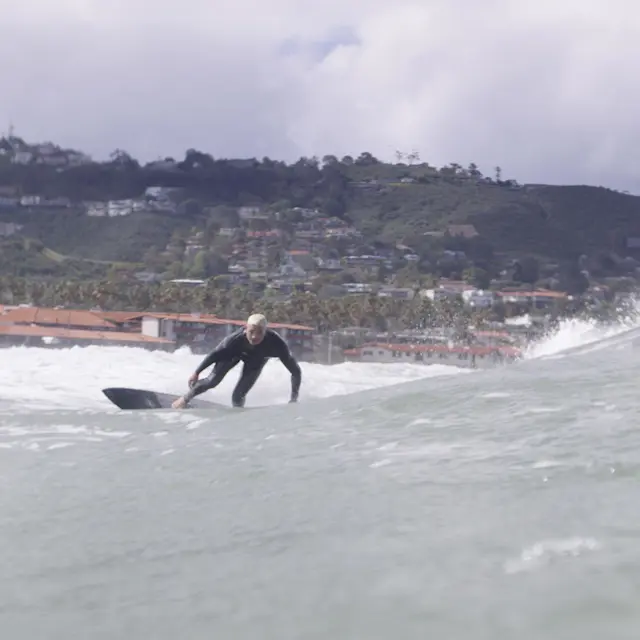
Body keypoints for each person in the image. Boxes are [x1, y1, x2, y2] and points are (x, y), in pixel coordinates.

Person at [171, 313, 302, 409]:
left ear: (265, 331)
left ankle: (238, 415)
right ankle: (183, 400)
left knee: (238, 395)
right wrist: (197, 372)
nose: (255, 336)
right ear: (246, 329)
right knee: (212, 381)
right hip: (233, 354)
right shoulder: (234, 340)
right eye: (251, 332)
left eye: (259, 333)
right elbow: (214, 355)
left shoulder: (277, 344)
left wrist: (294, 398)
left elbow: (295, 371)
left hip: (256, 361)